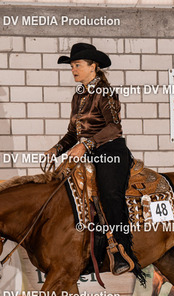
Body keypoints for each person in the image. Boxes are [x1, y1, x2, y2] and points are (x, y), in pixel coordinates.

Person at [45, 43, 142, 279]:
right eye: (72, 66)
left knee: (109, 193)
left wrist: (86, 145)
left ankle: (121, 248)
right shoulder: (78, 97)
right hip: (87, 152)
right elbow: (73, 133)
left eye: (77, 65)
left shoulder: (105, 93)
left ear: (93, 66)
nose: (73, 70)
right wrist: (57, 149)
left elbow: (114, 127)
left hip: (111, 150)